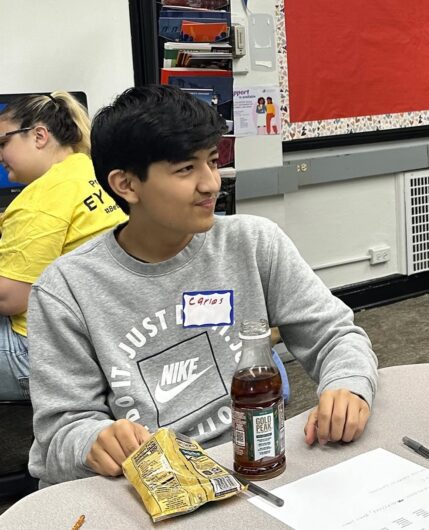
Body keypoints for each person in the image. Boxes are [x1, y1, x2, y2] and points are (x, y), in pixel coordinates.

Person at [26, 85, 378, 485]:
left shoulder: (252, 242)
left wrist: (348, 386)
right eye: (185, 169)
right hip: (150, 484)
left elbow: (334, 336)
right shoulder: (67, 289)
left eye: (212, 162)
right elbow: (60, 432)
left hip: (256, 463)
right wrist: (93, 439)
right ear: (126, 185)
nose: (211, 183)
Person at [0, 92, 126, 400]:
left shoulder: (39, 198)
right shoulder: (89, 170)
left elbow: (9, 298)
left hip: (44, 355)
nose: (0, 156)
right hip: (103, 340)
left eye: (3, 143)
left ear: (40, 135)